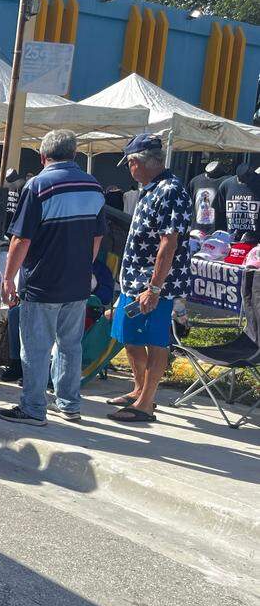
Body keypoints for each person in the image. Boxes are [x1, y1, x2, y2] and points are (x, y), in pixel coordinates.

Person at [0, 130, 106, 426]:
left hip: (42, 280)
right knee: (71, 345)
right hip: (78, 281)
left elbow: (21, 240)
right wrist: (83, 265)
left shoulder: (38, 185)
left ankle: (33, 408)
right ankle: (70, 404)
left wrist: (8, 278)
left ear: (43, 157)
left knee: (35, 346)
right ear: (74, 155)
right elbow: (97, 235)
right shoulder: (93, 185)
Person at [108, 134, 192, 423]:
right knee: (129, 338)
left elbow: (168, 243)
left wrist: (154, 287)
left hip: (157, 285)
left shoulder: (171, 190)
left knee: (155, 341)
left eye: (130, 163)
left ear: (136, 162)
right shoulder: (150, 188)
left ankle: (147, 402)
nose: (130, 169)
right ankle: (138, 389)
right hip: (134, 280)